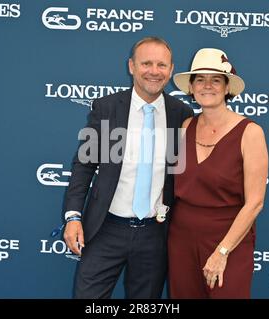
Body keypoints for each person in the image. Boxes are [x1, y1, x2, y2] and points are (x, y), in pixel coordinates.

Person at [62, 36, 193, 299]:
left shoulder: (181, 114)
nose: (154, 71)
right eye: (146, 63)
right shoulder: (107, 108)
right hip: (104, 229)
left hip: (155, 235)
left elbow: (184, 174)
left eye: (161, 65)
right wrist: (73, 216)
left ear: (171, 70)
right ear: (131, 66)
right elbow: (84, 165)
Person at [168, 48, 269, 298]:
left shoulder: (250, 132)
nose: (207, 86)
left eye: (216, 80)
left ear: (227, 87)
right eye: (200, 79)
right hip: (181, 238)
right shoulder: (185, 127)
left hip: (229, 238)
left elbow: (255, 203)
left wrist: (222, 251)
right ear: (191, 87)